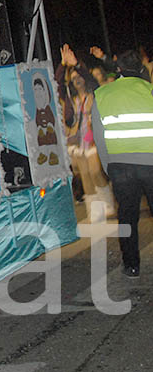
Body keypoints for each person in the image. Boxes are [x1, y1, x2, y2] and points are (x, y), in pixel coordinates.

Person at [91, 48, 153, 278]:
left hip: (120, 166)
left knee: (127, 217)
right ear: (140, 69)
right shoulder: (150, 90)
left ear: (118, 70)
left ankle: (131, 265)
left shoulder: (102, 94)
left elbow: (99, 136)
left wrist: (109, 166)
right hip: (151, 164)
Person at [56, 44, 114, 220]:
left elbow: (92, 80)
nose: (76, 80)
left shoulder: (93, 93)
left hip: (93, 137)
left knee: (96, 171)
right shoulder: (70, 98)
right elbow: (57, 83)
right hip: (76, 140)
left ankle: (108, 203)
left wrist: (77, 64)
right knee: (86, 176)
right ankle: (95, 212)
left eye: (78, 77)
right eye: (73, 78)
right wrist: (63, 64)